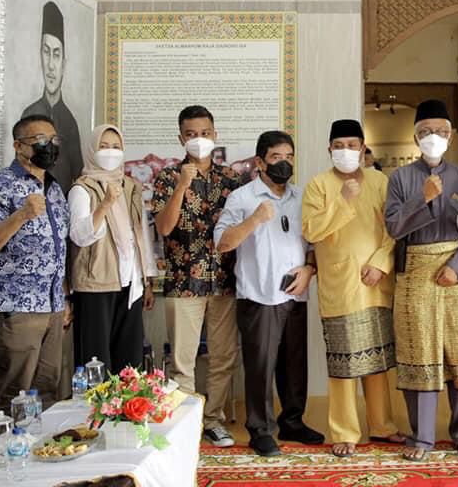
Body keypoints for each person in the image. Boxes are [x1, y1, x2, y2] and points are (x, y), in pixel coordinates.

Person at [384, 100, 458, 461]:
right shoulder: (399, 179)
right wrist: (422, 199)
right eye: (425, 131)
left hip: (455, 273)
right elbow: (394, 227)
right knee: (419, 352)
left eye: (441, 131)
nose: (433, 137)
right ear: (415, 137)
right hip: (415, 273)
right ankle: (422, 437)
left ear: (451, 136)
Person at [215, 131, 324, 457]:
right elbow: (222, 244)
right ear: (260, 162)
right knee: (261, 367)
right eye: (276, 157)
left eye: (289, 157)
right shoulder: (242, 198)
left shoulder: (302, 196)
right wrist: (255, 219)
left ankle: (292, 421)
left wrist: (309, 269)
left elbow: (314, 242)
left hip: (295, 293)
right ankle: (260, 430)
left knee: (294, 365)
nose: (284, 163)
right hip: (259, 296)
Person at [301, 119, 403, 458]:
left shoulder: (380, 181)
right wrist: (343, 200)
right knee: (344, 363)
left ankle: (382, 425)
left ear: (363, 149)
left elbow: (393, 229)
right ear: (329, 149)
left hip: (376, 282)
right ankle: (344, 432)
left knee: (376, 359)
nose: (345, 151)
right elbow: (311, 230)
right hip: (340, 285)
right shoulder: (318, 185)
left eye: (352, 145)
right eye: (339, 146)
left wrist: (381, 262)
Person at [152, 105, 241, 448]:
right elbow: (164, 228)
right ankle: (186, 425)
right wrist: (182, 186)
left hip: (225, 281)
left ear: (215, 135)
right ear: (181, 139)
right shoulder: (167, 177)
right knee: (182, 360)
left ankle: (214, 420)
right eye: (191, 134)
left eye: (204, 133)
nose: (199, 140)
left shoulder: (231, 178)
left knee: (223, 357)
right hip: (183, 282)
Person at [0, 115, 70, 440]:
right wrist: (21, 215)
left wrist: (64, 298)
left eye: (54, 140)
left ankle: (38, 459)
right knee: (10, 394)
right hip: (14, 306)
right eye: (40, 141)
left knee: (47, 391)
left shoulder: (55, 188)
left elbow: (58, 249)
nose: (50, 146)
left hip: (52, 306)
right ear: (19, 146)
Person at [69, 124, 158, 374]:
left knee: (130, 360)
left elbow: (141, 234)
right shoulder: (82, 189)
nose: (111, 152)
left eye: (116, 147)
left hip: (130, 282)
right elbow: (80, 236)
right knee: (96, 361)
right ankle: (97, 402)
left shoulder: (130, 186)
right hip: (96, 283)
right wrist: (106, 203)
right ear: (91, 150)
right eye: (104, 146)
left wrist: (147, 280)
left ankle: (126, 400)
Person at [21, 1, 83, 192]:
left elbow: (79, 175)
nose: (50, 65)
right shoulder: (29, 114)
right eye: (46, 52)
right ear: (40, 56)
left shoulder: (70, 121)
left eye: (56, 54)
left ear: (63, 63)